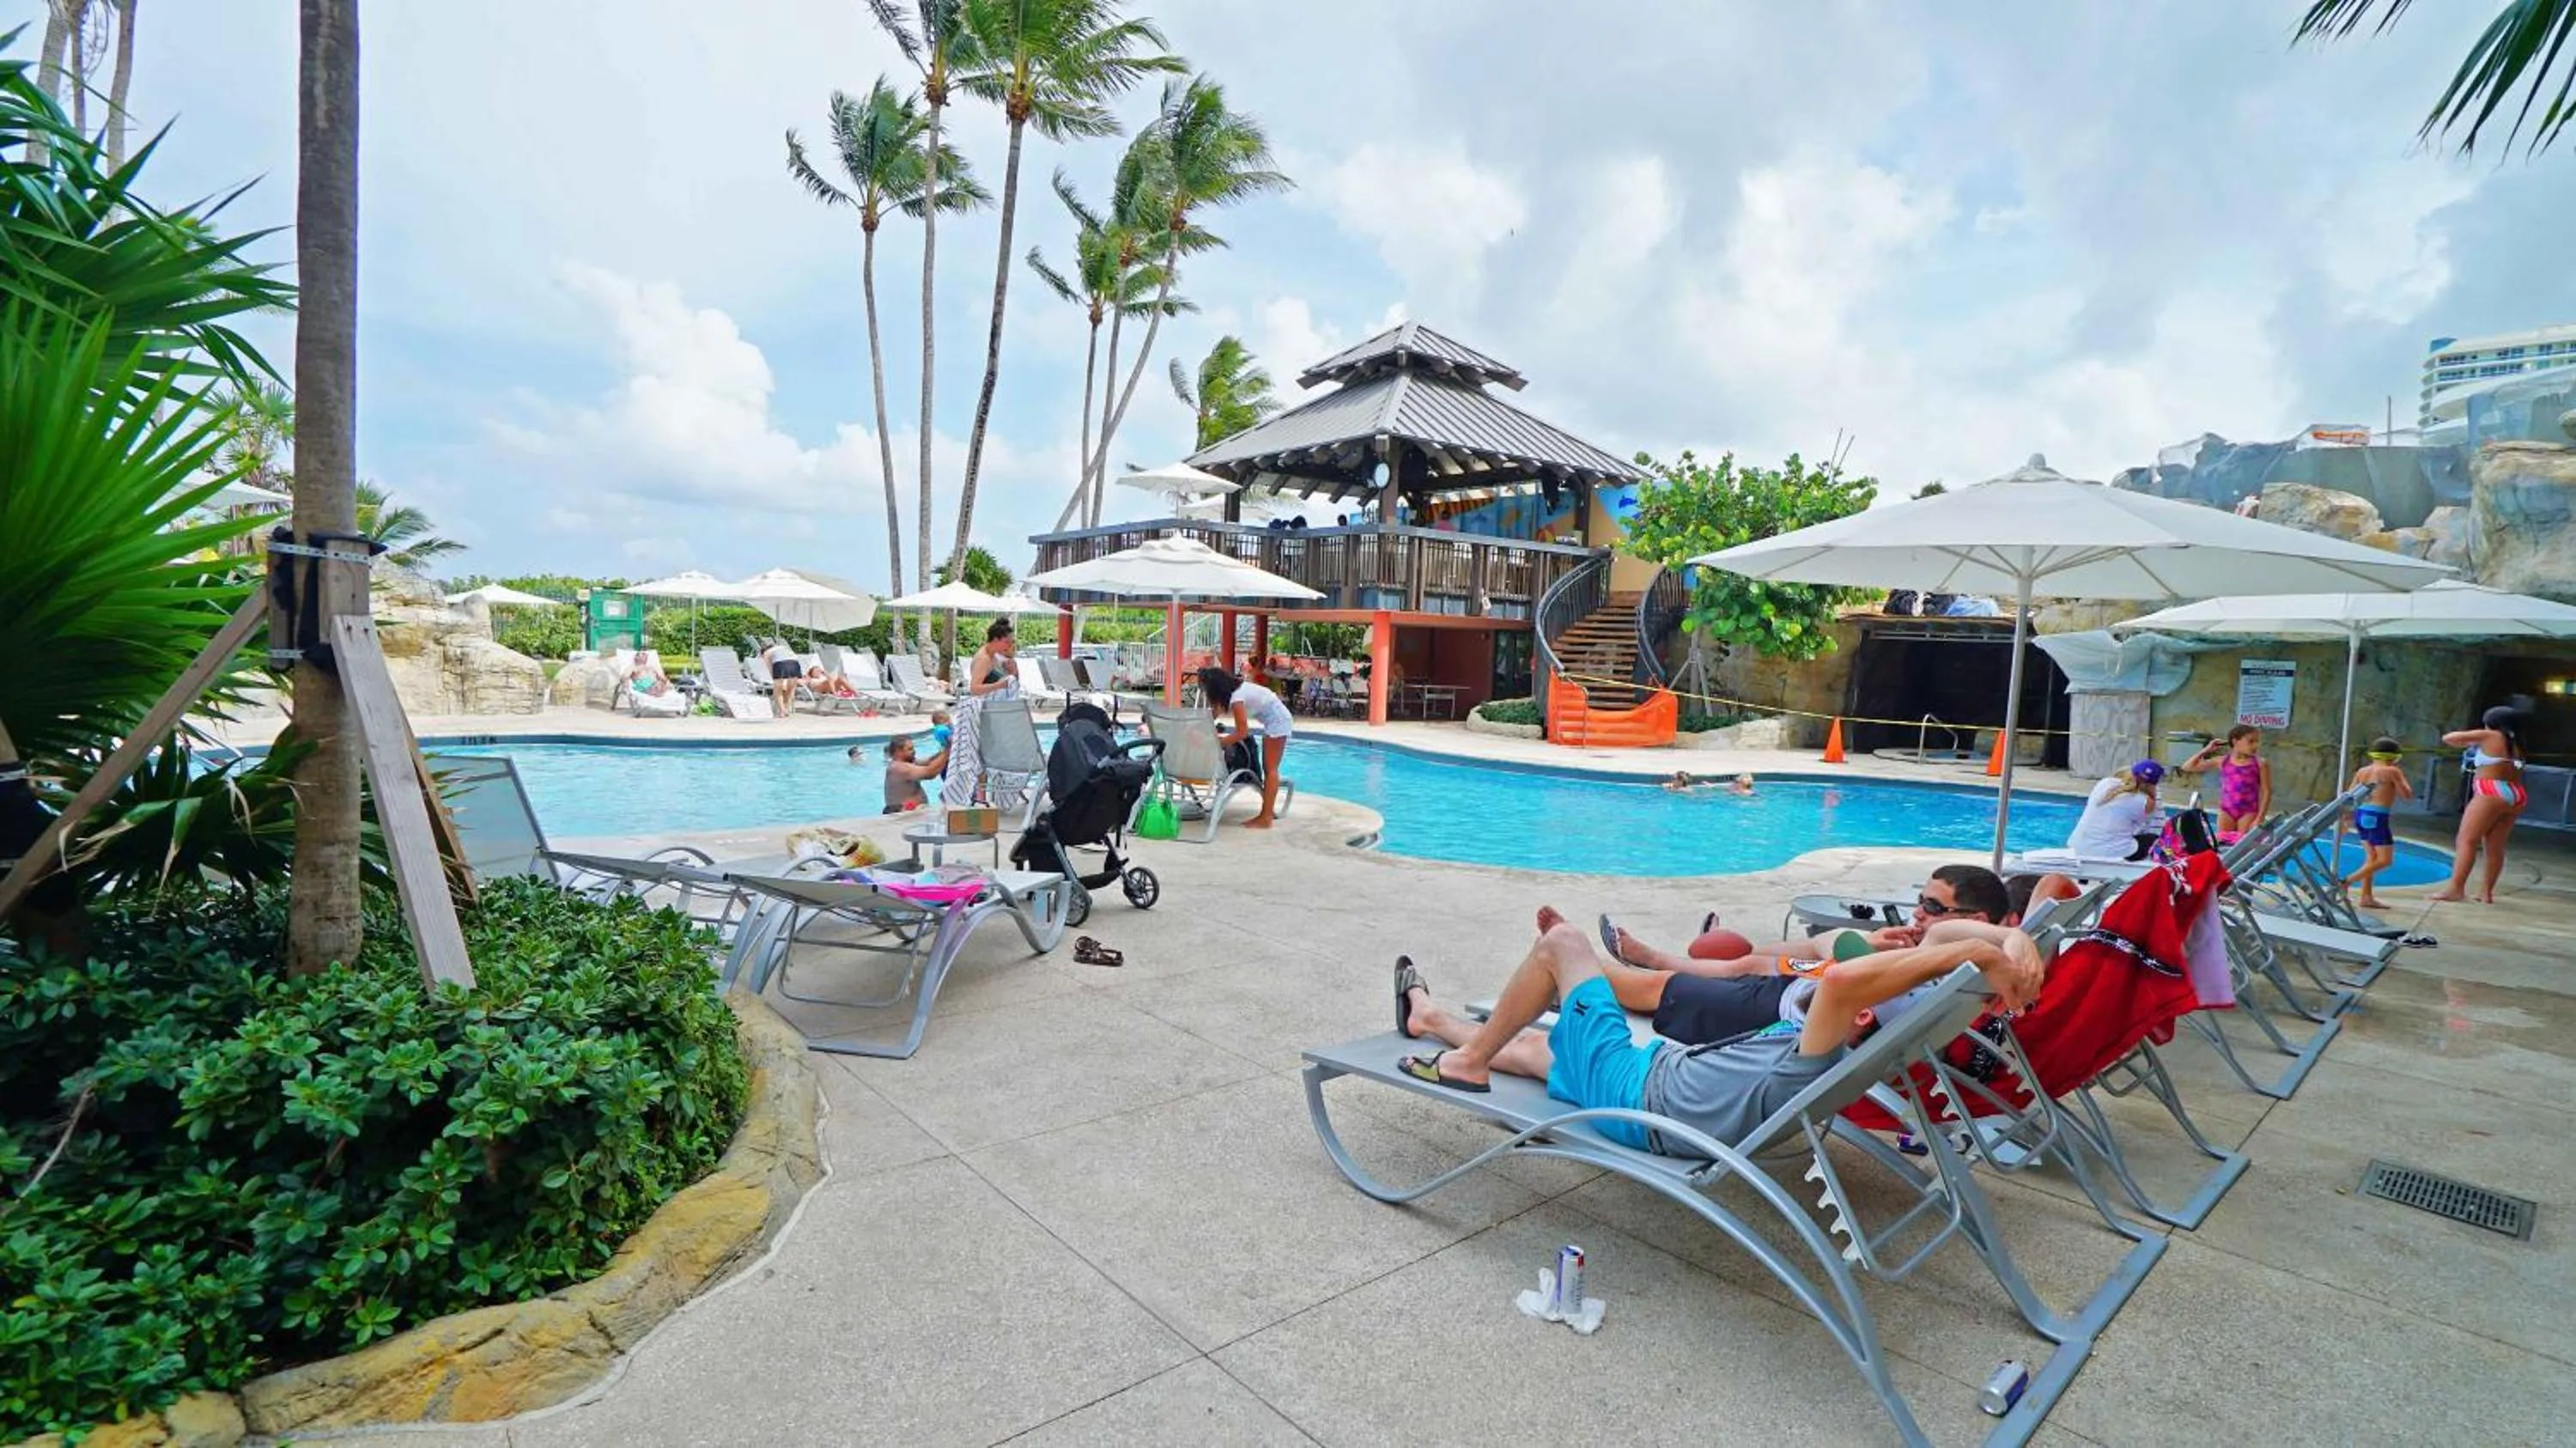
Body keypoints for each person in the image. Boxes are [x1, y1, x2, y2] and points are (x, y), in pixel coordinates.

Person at [1388, 907, 2043, 1156]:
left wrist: (1985, 958)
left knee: (1561, 943)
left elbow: (1841, 983)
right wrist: (2008, 937)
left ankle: (1470, 1059)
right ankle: (1431, 1016)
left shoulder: (1816, 1043)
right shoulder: (1826, 1052)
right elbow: (1920, 947)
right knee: (1538, 1051)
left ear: (1858, 1015)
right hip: (1651, 1092)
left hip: (1643, 1092)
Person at [1599, 865, 2017, 1047]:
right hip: (1806, 987)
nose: (1920, 914)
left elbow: (1834, 947)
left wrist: (2008, 944)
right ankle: (1654, 957)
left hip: (1788, 1015)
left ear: (1977, 921)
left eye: (1934, 907)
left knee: (1658, 988)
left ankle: (1569, 969)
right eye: (1920, 902)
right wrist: (2014, 942)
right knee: (1750, 963)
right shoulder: (1956, 974)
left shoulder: (1952, 957)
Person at [2434, 706, 2526, 903]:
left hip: (2491, 791)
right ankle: (2486, 893)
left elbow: (2449, 738)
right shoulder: (2515, 743)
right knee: (2495, 846)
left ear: (2490, 722)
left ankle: (2456, 889)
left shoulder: (2489, 735)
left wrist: (2474, 738)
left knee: (2466, 841)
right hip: (2515, 794)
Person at [1200, 665, 1292, 828]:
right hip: (1273, 720)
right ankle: (1267, 814)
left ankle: (1266, 818)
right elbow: (1215, 711)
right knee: (1268, 769)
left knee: (1270, 769)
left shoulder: (1237, 697)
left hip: (1279, 721)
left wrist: (1217, 744)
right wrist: (1200, 728)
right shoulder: (1232, 692)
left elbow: (1242, 732)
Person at [943, 620, 1020, 805]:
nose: (1010, 646)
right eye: (1007, 642)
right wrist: (1001, 683)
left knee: (986, 756)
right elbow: (975, 688)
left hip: (992, 715)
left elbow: (1012, 683)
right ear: (996, 639)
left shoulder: (995, 656)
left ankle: (984, 797)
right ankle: (980, 798)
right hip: (981, 715)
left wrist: (1014, 671)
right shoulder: (984, 658)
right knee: (980, 757)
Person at [2342, 737, 2416, 910]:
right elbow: (2407, 794)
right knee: (2384, 860)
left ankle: (2366, 897)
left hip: (2362, 815)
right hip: (2377, 817)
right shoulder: (2392, 771)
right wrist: (2397, 778)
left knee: (2372, 858)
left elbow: (2349, 796)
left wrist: (2345, 819)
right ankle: (2345, 882)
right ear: (2395, 756)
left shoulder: (2362, 771)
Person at [2064, 758, 2164, 861]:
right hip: (2111, 853)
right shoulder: (2147, 802)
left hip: (2076, 847)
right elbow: (2146, 826)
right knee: (2153, 839)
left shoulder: (2104, 783)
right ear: (2154, 784)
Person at [2181, 726, 2269, 835]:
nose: (2256, 745)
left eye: (2257, 742)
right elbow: (2187, 767)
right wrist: (2206, 750)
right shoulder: (2223, 761)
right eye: (2251, 741)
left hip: (2248, 812)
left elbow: (2266, 791)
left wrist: (2260, 817)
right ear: (2235, 742)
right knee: (2223, 843)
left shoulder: (2259, 763)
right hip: (2226, 811)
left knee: (2243, 847)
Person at [882, 734, 948, 814]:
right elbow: (930, 773)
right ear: (899, 752)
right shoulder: (898, 768)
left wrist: (944, 750)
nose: (914, 751)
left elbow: (929, 761)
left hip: (914, 813)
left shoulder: (908, 763)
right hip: (903, 816)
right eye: (910, 749)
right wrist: (948, 751)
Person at [758, 638, 801, 719]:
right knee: (791, 689)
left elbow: (770, 668)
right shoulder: (783, 647)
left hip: (780, 664)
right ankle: (787, 708)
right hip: (795, 663)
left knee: (778, 690)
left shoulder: (766, 653)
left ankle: (782, 711)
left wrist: (774, 678)